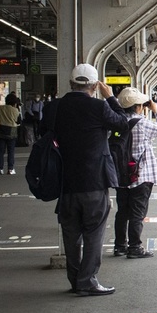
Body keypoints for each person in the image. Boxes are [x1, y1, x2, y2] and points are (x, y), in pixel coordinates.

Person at [42, 64, 129, 296]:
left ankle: (75, 279)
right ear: (94, 85)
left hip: (66, 184)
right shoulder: (99, 106)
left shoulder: (54, 108)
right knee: (93, 233)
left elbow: (44, 132)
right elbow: (123, 124)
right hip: (94, 182)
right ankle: (87, 280)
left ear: (71, 83)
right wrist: (110, 98)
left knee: (71, 235)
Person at [113, 87, 157, 259]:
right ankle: (135, 247)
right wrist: (156, 110)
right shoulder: (142, 123)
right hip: (140, 174)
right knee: (137, 212)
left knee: (122, 211)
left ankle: (120, 246)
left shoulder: (117, 121)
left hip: (121, 174)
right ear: (138, 106)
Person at [0, 93, 20, 174]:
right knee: (11, 151)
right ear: (14, 102)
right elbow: (19, 121)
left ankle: (0, 169)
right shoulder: (16, 110)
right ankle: (10, 169)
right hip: (11, 132)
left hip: (0, 131)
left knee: (1, 150)